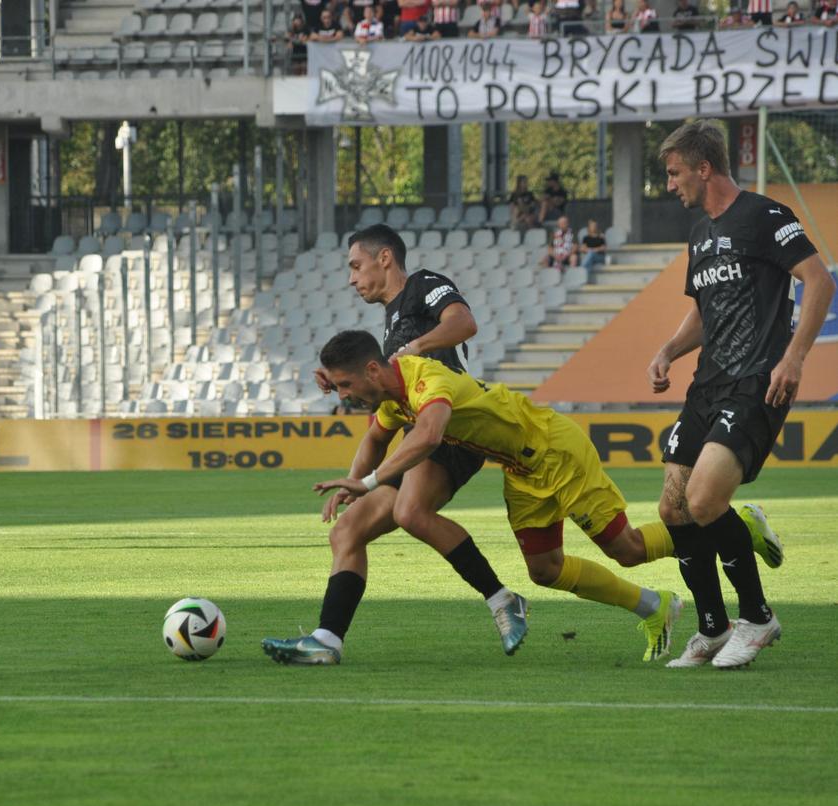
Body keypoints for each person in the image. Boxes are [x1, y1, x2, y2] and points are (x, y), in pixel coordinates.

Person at [303, 330, 686, 663]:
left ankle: (725, 528)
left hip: (555, 450)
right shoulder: (390, 397)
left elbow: (429, 436)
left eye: (345, 386)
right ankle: (655, 606)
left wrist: (369, 483)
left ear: (371, 370)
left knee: (628, 550)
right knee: (545, 571)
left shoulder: (427, 380)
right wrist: (351, 485)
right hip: (521, 470)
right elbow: (374, 438)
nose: (343, 396)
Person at [261, 225, 529, 666]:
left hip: (450, 425)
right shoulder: (390, 324)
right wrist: (343, 383)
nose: (351, 277)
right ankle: (327, 640)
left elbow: (465, 322)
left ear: (384, 258)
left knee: (411, 512)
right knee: (348, 530)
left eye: (355, 265)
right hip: (416, 430)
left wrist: (414, 347)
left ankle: (503, 600)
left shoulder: (423, 285)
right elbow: (378, 422)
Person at [651, 120, 835, 668]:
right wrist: (667, 351)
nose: (670, 184)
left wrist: (794, 357)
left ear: (704, 168)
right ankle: (712, 628)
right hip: (707, 384)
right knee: (673, 508)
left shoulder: (764, 216)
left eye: (674, 172)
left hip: (758, 381)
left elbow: (820, 281)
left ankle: (757, 618)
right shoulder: (701, 235)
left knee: (705, 502)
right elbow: (704, 314)